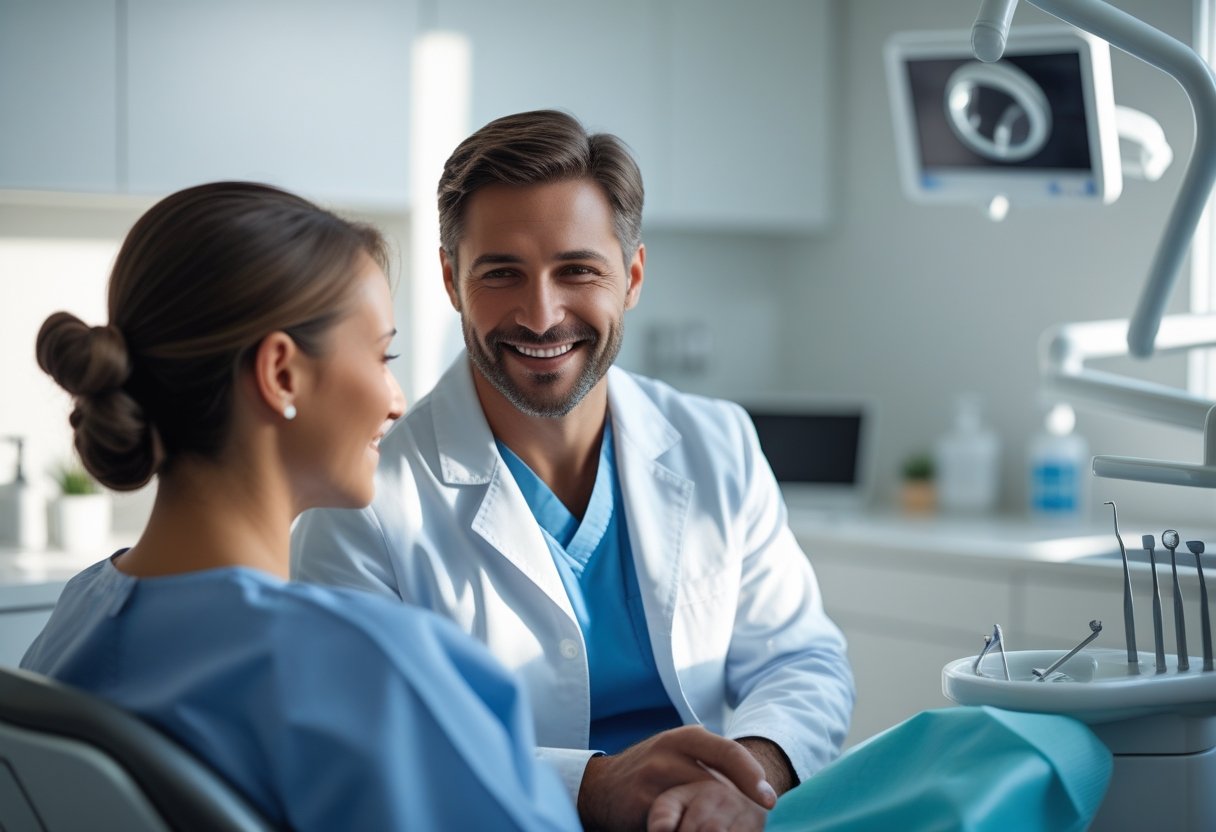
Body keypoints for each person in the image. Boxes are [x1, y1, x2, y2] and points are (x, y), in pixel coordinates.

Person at [292, 109, 855, 829]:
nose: (540, 314)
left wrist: (749, 777)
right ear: (451, 280)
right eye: (502, 273)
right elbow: (360, 738)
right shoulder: (362, 498)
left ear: (632, 276)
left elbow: (800, 661)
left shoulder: (718, 442)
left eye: (578, 270)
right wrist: (588, 787)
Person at [21, 181, 633, 830]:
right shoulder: (371, 669)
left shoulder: (72, 627)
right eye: (381, 355)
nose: (396, 400)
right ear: (281, 374)